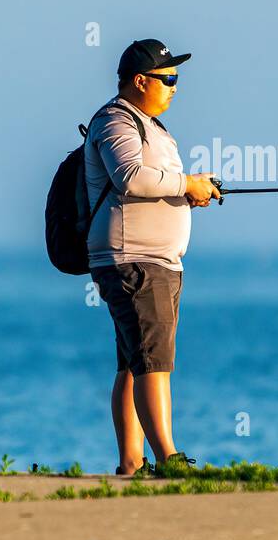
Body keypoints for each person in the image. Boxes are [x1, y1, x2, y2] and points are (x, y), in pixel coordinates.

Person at [84, 38, 222, 477]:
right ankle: (168, 460)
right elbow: (130, 177)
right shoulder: (116, 121)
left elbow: (155, 182)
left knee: (134, 362)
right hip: (135, 260)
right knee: (153, 362)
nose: (175, 88)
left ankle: (132, 463)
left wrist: (191, 193)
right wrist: (186, 185)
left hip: (156, 261)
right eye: (168, 79)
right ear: (140, 81)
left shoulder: (152, 126)